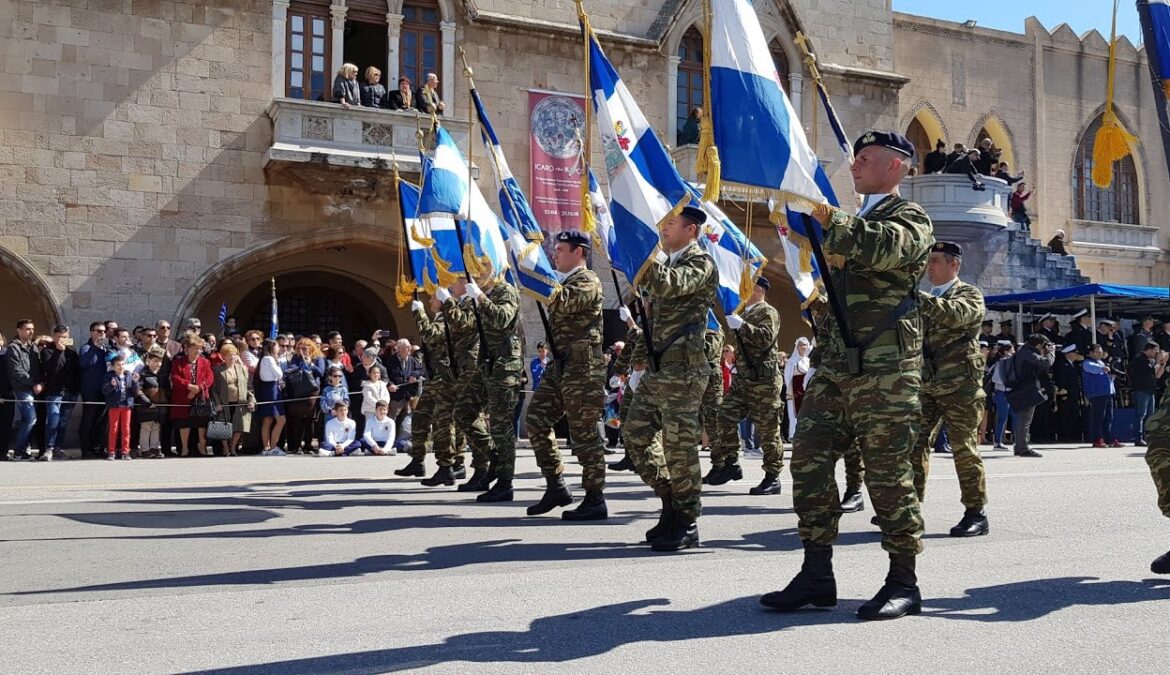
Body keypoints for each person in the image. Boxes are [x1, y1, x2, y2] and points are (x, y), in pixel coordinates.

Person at [762, 130, 931, 620]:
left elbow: (882, 249)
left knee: (887, 473)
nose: (854, 166)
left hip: (885, 369)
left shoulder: (909, 217)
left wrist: (822, 215)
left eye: (866, 159)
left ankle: (904, 581)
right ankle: (817, 573)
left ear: (896, 166)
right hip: (836, 364)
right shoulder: (855, 219)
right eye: (855, 158)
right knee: (809, 462)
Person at [622, 204, 718, 552]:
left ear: (690, 230)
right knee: (634, 435)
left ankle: (687, 520)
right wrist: (638, 365)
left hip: (684, 371)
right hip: (658, 369)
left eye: (670, 222)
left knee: (680, 448)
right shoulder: (669, 261)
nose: (663, 227)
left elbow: (669, 285)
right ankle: (671, 501)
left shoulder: (700, 264)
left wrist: (640, 254)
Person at [524, 231, 609, 520]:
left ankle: (595, 498)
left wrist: (535, 278)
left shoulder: (587, 280)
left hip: (582, 369)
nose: (555, 254)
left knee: (584, 433)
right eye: (555, 249)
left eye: (560, 249)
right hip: (560, 367)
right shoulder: (564, 281)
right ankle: (555, 484)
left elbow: (563, 302)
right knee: (536, 419)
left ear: (579, 252)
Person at [913, 242, 990, 537]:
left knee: (964, 449)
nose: (929, 267)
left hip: (961, 388)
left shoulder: (969, 295)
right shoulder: (925, 298)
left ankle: (975, 512)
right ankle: (909, 509)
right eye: (928, 261)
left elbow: (955, 315)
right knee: (913, 446)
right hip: (928, 385)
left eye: (934, 261)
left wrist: (915, 298)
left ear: (953, 265)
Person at [442, 267, 523, 503]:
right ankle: (492, 455)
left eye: (482, 267)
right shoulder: (479, 293)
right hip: (486, 364)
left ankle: (505, 482)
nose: (477, 272)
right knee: (463, 412)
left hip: (505, 365)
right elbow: (465, 326)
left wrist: (479, 297)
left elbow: (502, 318)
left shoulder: (505, 291)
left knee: (500, 424)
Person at [708, 277, 784, 495]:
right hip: (744, 380)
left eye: (746, 286)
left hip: (764, 381)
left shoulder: (767, 312)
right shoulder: (746, 314)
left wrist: (742, 325)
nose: (741, 290)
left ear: (759, 289)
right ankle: (731, 462)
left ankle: (773, 476)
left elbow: (765, 338)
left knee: (768, 431)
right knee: (724, 416)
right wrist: (740, 322)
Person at [404, 296, 481, 484]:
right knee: (424, 416)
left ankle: (458, 463)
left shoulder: (446, 317)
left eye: (433, 298)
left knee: (452, 419)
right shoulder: (441, 317)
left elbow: (431, 335)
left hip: (447, 375)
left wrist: (419, 313)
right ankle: (419, 459)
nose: (430, 301)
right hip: (439, 375)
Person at [1004, 333, 1054, 458]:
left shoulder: (1024, 351)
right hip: (1026, 389)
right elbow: (1046, 363)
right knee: (1025, 420)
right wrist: (1051, 352)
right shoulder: (1028, 353)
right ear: (1038, 344)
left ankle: (1019, 446)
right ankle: (1023, 448)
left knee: (1023, 419)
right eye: (1043, 345)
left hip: (1023, 388)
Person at [39, 324, 80, 461]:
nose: (62, 339)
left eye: (64, 337)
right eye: (59, 337)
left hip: (70, 391)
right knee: (53, 420)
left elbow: (76, 371)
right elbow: (53, 370)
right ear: (54, 337)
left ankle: (58, 448)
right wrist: (59, 352)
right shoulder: (47, 351)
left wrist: (77, 389)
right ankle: (49, 448)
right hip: (54, 391)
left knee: (63, 422)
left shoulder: (72, 351)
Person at [170, 335, 215, 457]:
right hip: (183, 397)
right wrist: (188, 386)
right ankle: (184, 448)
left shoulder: (205, 362)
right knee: (184, 422)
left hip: (200, 397)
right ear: (187, 348)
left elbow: (209, 378)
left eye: (200, 348)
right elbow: (175, 377)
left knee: (201, 423)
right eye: (195, 348)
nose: (197, 351)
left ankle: (202, 445)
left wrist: (198, 388)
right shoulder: (178, 362)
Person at [5, 319, 42, 461]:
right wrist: (33, 383)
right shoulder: (13, 348)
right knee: (31, 418)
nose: (31, 331)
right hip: (22, 388)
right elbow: (17, 371)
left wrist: (40, 383)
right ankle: (19, 451)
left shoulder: (33, 347)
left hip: (34, 388)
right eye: (27, 329)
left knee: (27, 419)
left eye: (32, 329)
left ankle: (25, 449)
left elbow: (38, 367)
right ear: (18, 330)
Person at [211, 343, 255, 457]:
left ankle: (233, 446)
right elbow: (214, 389)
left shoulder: (243, 369)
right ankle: (225, 447)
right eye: (230, 355)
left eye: (235, 354)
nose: (233, 357)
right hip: (224, 403)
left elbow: (249, 387)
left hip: (240, 402)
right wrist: (217, 403)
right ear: (223, 356)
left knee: (240, 426)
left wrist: (251, 399)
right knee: (223, 425)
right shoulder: (217, 370)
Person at [284, 338, 325, 454]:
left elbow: (321, 372)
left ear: (311, 347)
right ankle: (297, 446)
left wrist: (310, 363)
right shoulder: (296, 357)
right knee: (297, 419)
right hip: (298, 390)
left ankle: (308, 445)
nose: (302, 350)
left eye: (305, 348)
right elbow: (290, 370)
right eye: (299, 348)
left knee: (310, 419)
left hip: (312, 391)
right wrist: (301, 364)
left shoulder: (318, 357)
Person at [77, 322, 111, 458]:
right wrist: (94, 348)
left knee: (101, 421)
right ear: (91, 332)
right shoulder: (86, 348)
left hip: (104, 390)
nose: (102, 334)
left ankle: (99, 448)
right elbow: (84, 363)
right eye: (98, 331)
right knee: (88, 420)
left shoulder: (106, 349)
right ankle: (86, 450)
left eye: (103, 331)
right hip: (90, 390)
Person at [1081, 344, 1121, 448]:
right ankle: (1098, 439)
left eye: (1101, 352)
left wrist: (1112, 377)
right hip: (1097, 394)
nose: (1100, 354)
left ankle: (1109, 438)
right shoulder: (1087, 363)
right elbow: (1093, 369)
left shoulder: (1102, 362)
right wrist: (1103, 368)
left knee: (1109, 418)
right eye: (1097, 352)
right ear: (1091, 353)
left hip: (1108, 394)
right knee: (1098, 418)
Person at [101, 355, 138, 460]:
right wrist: (111, 386)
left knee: (126, 429)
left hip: (127, 405)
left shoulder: (129, 376)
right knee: (113, 429)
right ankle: (111, 452)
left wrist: (135, 382)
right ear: (113, 366)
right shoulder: (109, 376)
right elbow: (104, 391)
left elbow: (135, 392)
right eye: (118, 365)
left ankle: (125, 452)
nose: (121, 367)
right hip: (114, 405)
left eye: (122, 364)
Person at [134, 352, 168, 459]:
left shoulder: (162, 376)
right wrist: (147, 402)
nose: (158, 363)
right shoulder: (143, 375)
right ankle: (144, 449)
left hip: (159, 407)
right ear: (148, 361)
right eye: (155, 361)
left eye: (160, 361)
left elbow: (166, 391)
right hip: (146, 407)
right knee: (146, 427)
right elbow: (138, 390)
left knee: (156, 427)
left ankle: (155, 448)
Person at [1130, 342, 1165, 446]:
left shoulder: (1153, 360)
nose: (1156, 354)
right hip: (1141, 390)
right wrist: (1158, 362)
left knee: (1150, 416)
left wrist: (1162, 364)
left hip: (1150, 390)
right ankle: (1138, 437)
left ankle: (1147, 437)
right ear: (1149, 349)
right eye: (1155, 351)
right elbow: (1151, 370)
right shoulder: (1139, 358)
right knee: (1140, 414)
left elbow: (1158, 375)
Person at [256, 339, 286, 456]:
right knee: (281, 420)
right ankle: (273, 447)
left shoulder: (265, 359)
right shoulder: (269, 359)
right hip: (271, 390)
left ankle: (266, 447)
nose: (278, 348)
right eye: (277, 346)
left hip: (269, 389)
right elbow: (279, 374)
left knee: (268, 419)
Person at [1052, 344, 1085, 444]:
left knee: (1073, 415)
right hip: (1065, 394)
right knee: (1065, 416)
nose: (1076, 355)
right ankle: (1065, 436)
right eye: (1075, 353)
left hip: (1074, 394)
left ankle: (1073, 434)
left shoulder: (1074, 365)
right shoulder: (1062, 364)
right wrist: (1062, 392)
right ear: (1069, 354)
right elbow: (1060, 379)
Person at [783, 337, 811, 441]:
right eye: (801, 345)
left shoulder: (808, 361)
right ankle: (794, 435)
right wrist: (790, 391)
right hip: (795, 391)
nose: (803, 347)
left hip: (806, 390)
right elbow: (787, 376)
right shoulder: (792, 361)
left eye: (805, 345)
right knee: (794, 413)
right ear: (797, 347)